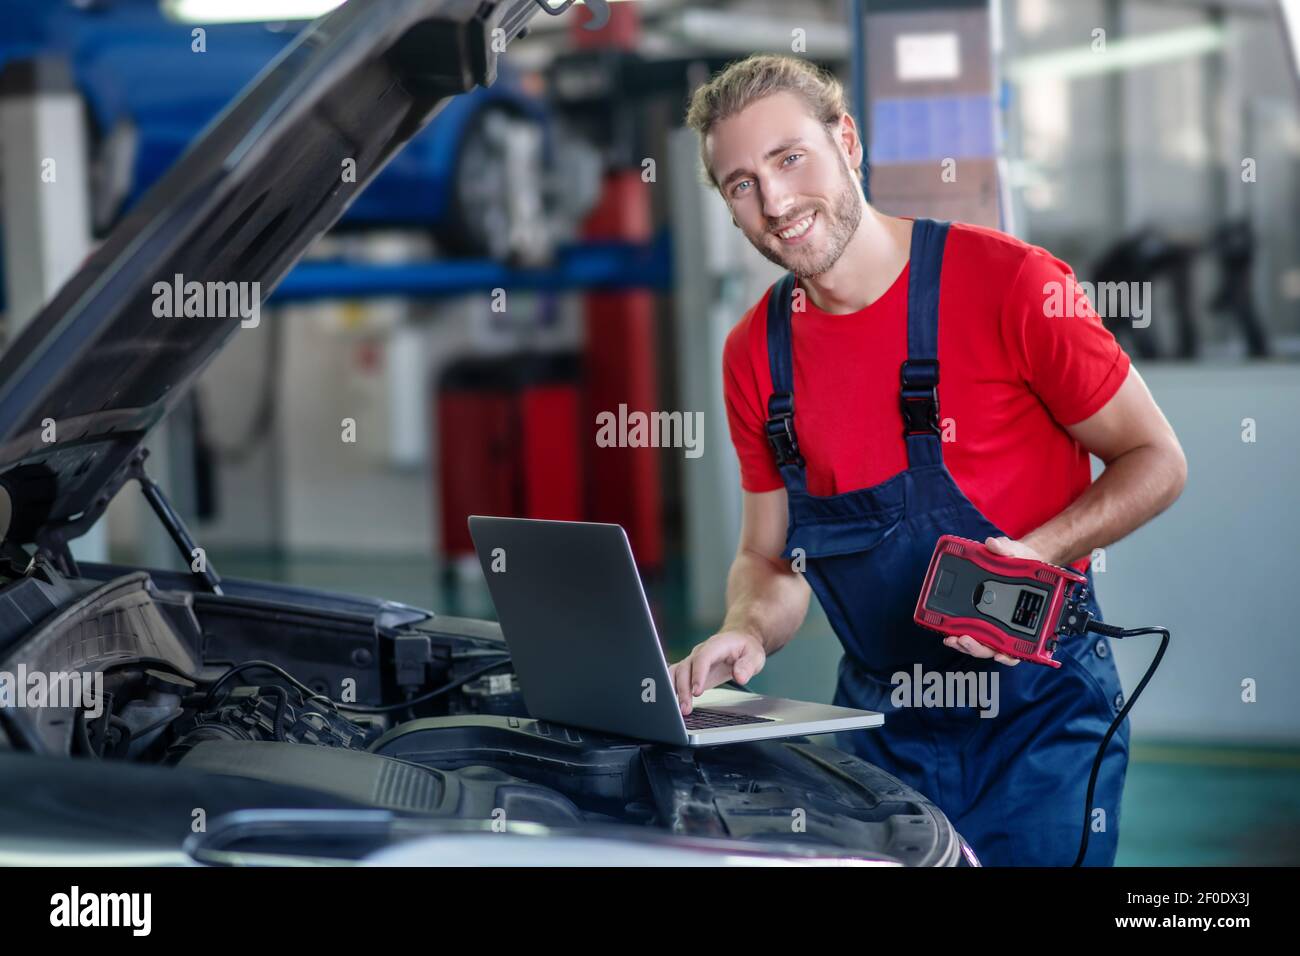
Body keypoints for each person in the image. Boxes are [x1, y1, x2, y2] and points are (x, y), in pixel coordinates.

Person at [671, 54, 1187, 866]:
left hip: (1039, 720)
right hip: (881, 732)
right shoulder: (754, 357)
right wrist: (747, 631)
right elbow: (769, 557)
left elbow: (1156, 458)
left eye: (788, 158)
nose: (773, 202)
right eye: (740, 183)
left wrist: (1034, 555)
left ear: (847, 139)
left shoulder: (1009, 284)